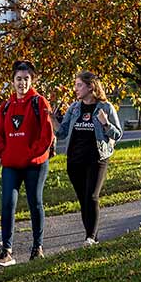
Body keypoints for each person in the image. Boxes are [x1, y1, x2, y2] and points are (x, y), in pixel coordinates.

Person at [0, 60, 54, 266]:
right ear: (12, 81)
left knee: (35, 202)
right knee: (8, 203)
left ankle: (38, 247)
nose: (22, 83)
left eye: (26, 79)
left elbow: (47, 135)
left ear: (32, 80)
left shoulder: (39, 102)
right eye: (18, 79)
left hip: (34, 164)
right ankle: (7, 251)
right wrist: (3, 152)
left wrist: (31, 154)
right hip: (11, 164)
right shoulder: (6, 106)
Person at [54, 71, 122, 246]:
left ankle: (90, 238)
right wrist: (51, 118)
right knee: (83, 199)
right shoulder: (74, 108)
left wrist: (105, 123)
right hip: (75, 160)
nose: (75, 89)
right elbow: (61, 133)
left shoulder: (105, 107)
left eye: (79, 85)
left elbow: (118, 134)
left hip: (97, 158)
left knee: (92, 196)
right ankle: (92, 236)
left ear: (90, 86)